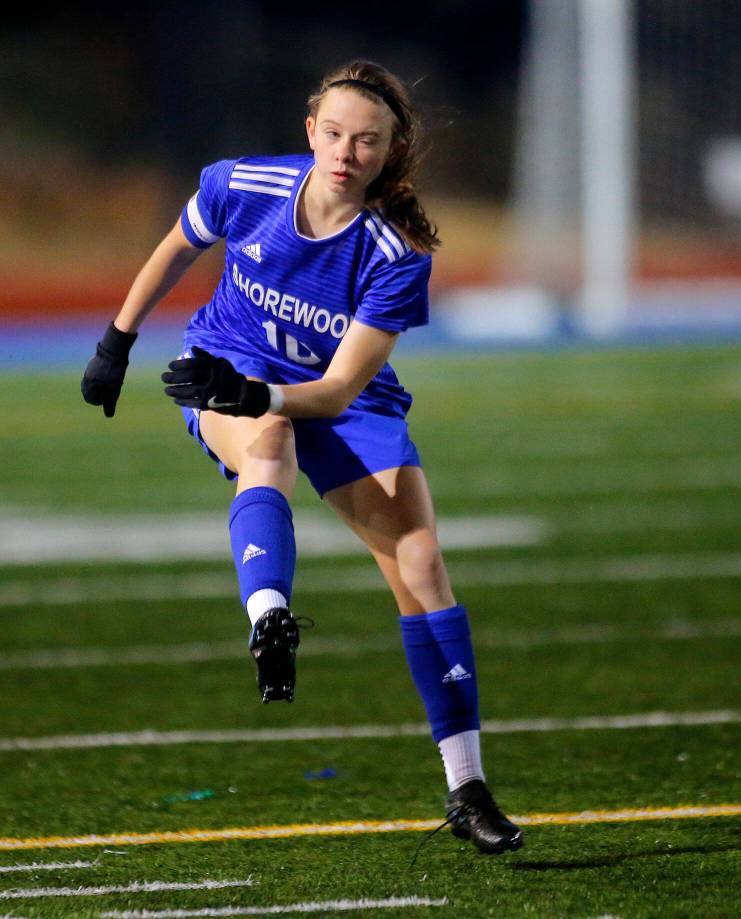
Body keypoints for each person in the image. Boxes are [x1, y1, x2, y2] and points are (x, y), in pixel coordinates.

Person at [80, 60, 523, 855]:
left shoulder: (396, 253)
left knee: (422, 566)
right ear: (309, 131)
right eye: (334, 133)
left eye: (367, 140)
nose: (347, 152)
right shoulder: (243, 184)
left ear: (391, 151)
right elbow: (175, 248)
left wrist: (260, 397)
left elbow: (340, 388)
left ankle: (467, 786)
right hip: (230, 364)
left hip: (332, 397)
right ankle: (270, 618)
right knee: (269, 444)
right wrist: (117, 340)